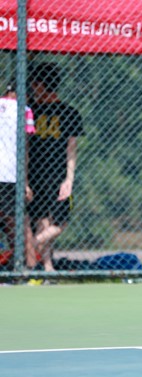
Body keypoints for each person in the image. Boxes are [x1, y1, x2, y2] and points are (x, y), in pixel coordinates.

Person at [25, 63, 78, 268]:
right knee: (43, 221)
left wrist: (69, 180)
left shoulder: (67, 113)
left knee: (59, 222)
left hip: (56, 175)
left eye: (34, 84)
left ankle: (30, 246)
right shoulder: (31, 111)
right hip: (37, 173)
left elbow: (70, 149)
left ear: (40, 85)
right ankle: (47, 267)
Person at [0, 84, 35, 271]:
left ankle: (20, 264)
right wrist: (25, 182)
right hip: (10, 174)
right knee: (21, 223)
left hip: (7, 173)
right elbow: (25, 149)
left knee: (13, 223)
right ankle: (29, 270)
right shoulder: (25, 110)